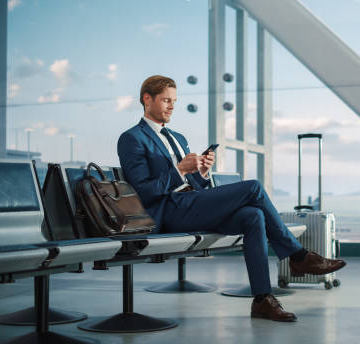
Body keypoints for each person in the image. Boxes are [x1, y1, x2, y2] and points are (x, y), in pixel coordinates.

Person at [117, 75, 346, 322]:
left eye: (174, 101)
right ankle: (298, 256)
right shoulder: (132, 138)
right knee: (253, 188)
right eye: (165, 100)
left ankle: (262, 300)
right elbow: (143, 191)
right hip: (167, 212)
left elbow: (193, 184)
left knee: (253, 216)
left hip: (191, 204)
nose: (172, 106)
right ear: (147, 99)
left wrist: (202, 172)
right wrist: (180, 170)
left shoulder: (178, 138)